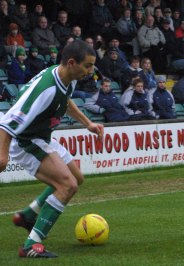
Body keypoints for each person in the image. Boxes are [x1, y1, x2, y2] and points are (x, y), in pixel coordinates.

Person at [0, 40, 104, 258]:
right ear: (72, 62)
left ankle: (28, 216)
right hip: (26, 141)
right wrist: (3, 154)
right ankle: (31, 245)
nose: (90, 71)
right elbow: (8, 123)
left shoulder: (69, 77)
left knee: (77, 177)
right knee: (67, 185)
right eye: (87, 65)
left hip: (42, 137)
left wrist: (88, 124)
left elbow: (65, 101)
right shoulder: (44, 89)